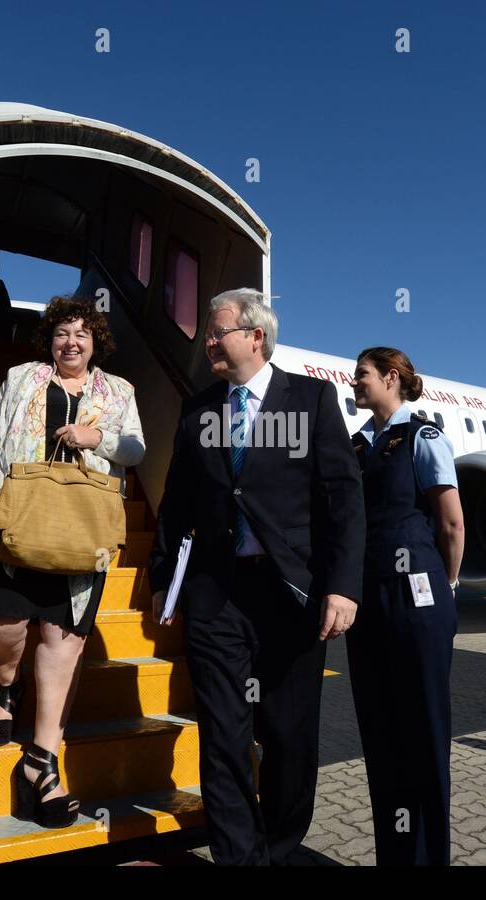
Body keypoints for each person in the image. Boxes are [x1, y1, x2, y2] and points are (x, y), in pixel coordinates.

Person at [148, 288, 364, 865]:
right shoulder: (199, 409)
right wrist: (162, 577)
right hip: (217, 595)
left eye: (218, 332)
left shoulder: (312, 400)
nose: (209, 342)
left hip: (291, 592)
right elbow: (177, 501)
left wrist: (342, 586)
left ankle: (280, 845)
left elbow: (343, 497)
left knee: (290, 736)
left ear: (255, 336)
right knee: (222, 736)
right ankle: (238, 857)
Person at [0, 295, 144, 828]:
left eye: (82, 334)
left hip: (79, 530)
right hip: (14, 517)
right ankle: (9, 688)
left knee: (63, 639)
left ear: (96, 343)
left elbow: (136, 449)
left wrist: (98, 437)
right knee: (3, 623)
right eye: (63, 332)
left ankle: (41, 763)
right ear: (51, 341)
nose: (72, 342)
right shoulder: (22, 377)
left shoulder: (120, 392)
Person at [347, 346, 464, 865]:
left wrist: (447, 583)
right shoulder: (357, 445)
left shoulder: (424, 437)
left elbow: (452, 524)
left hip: (418, 597)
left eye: (363, 375)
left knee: (423, 730)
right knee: (380, 730)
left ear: (391, 378)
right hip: (369, 599)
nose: (355, 383)